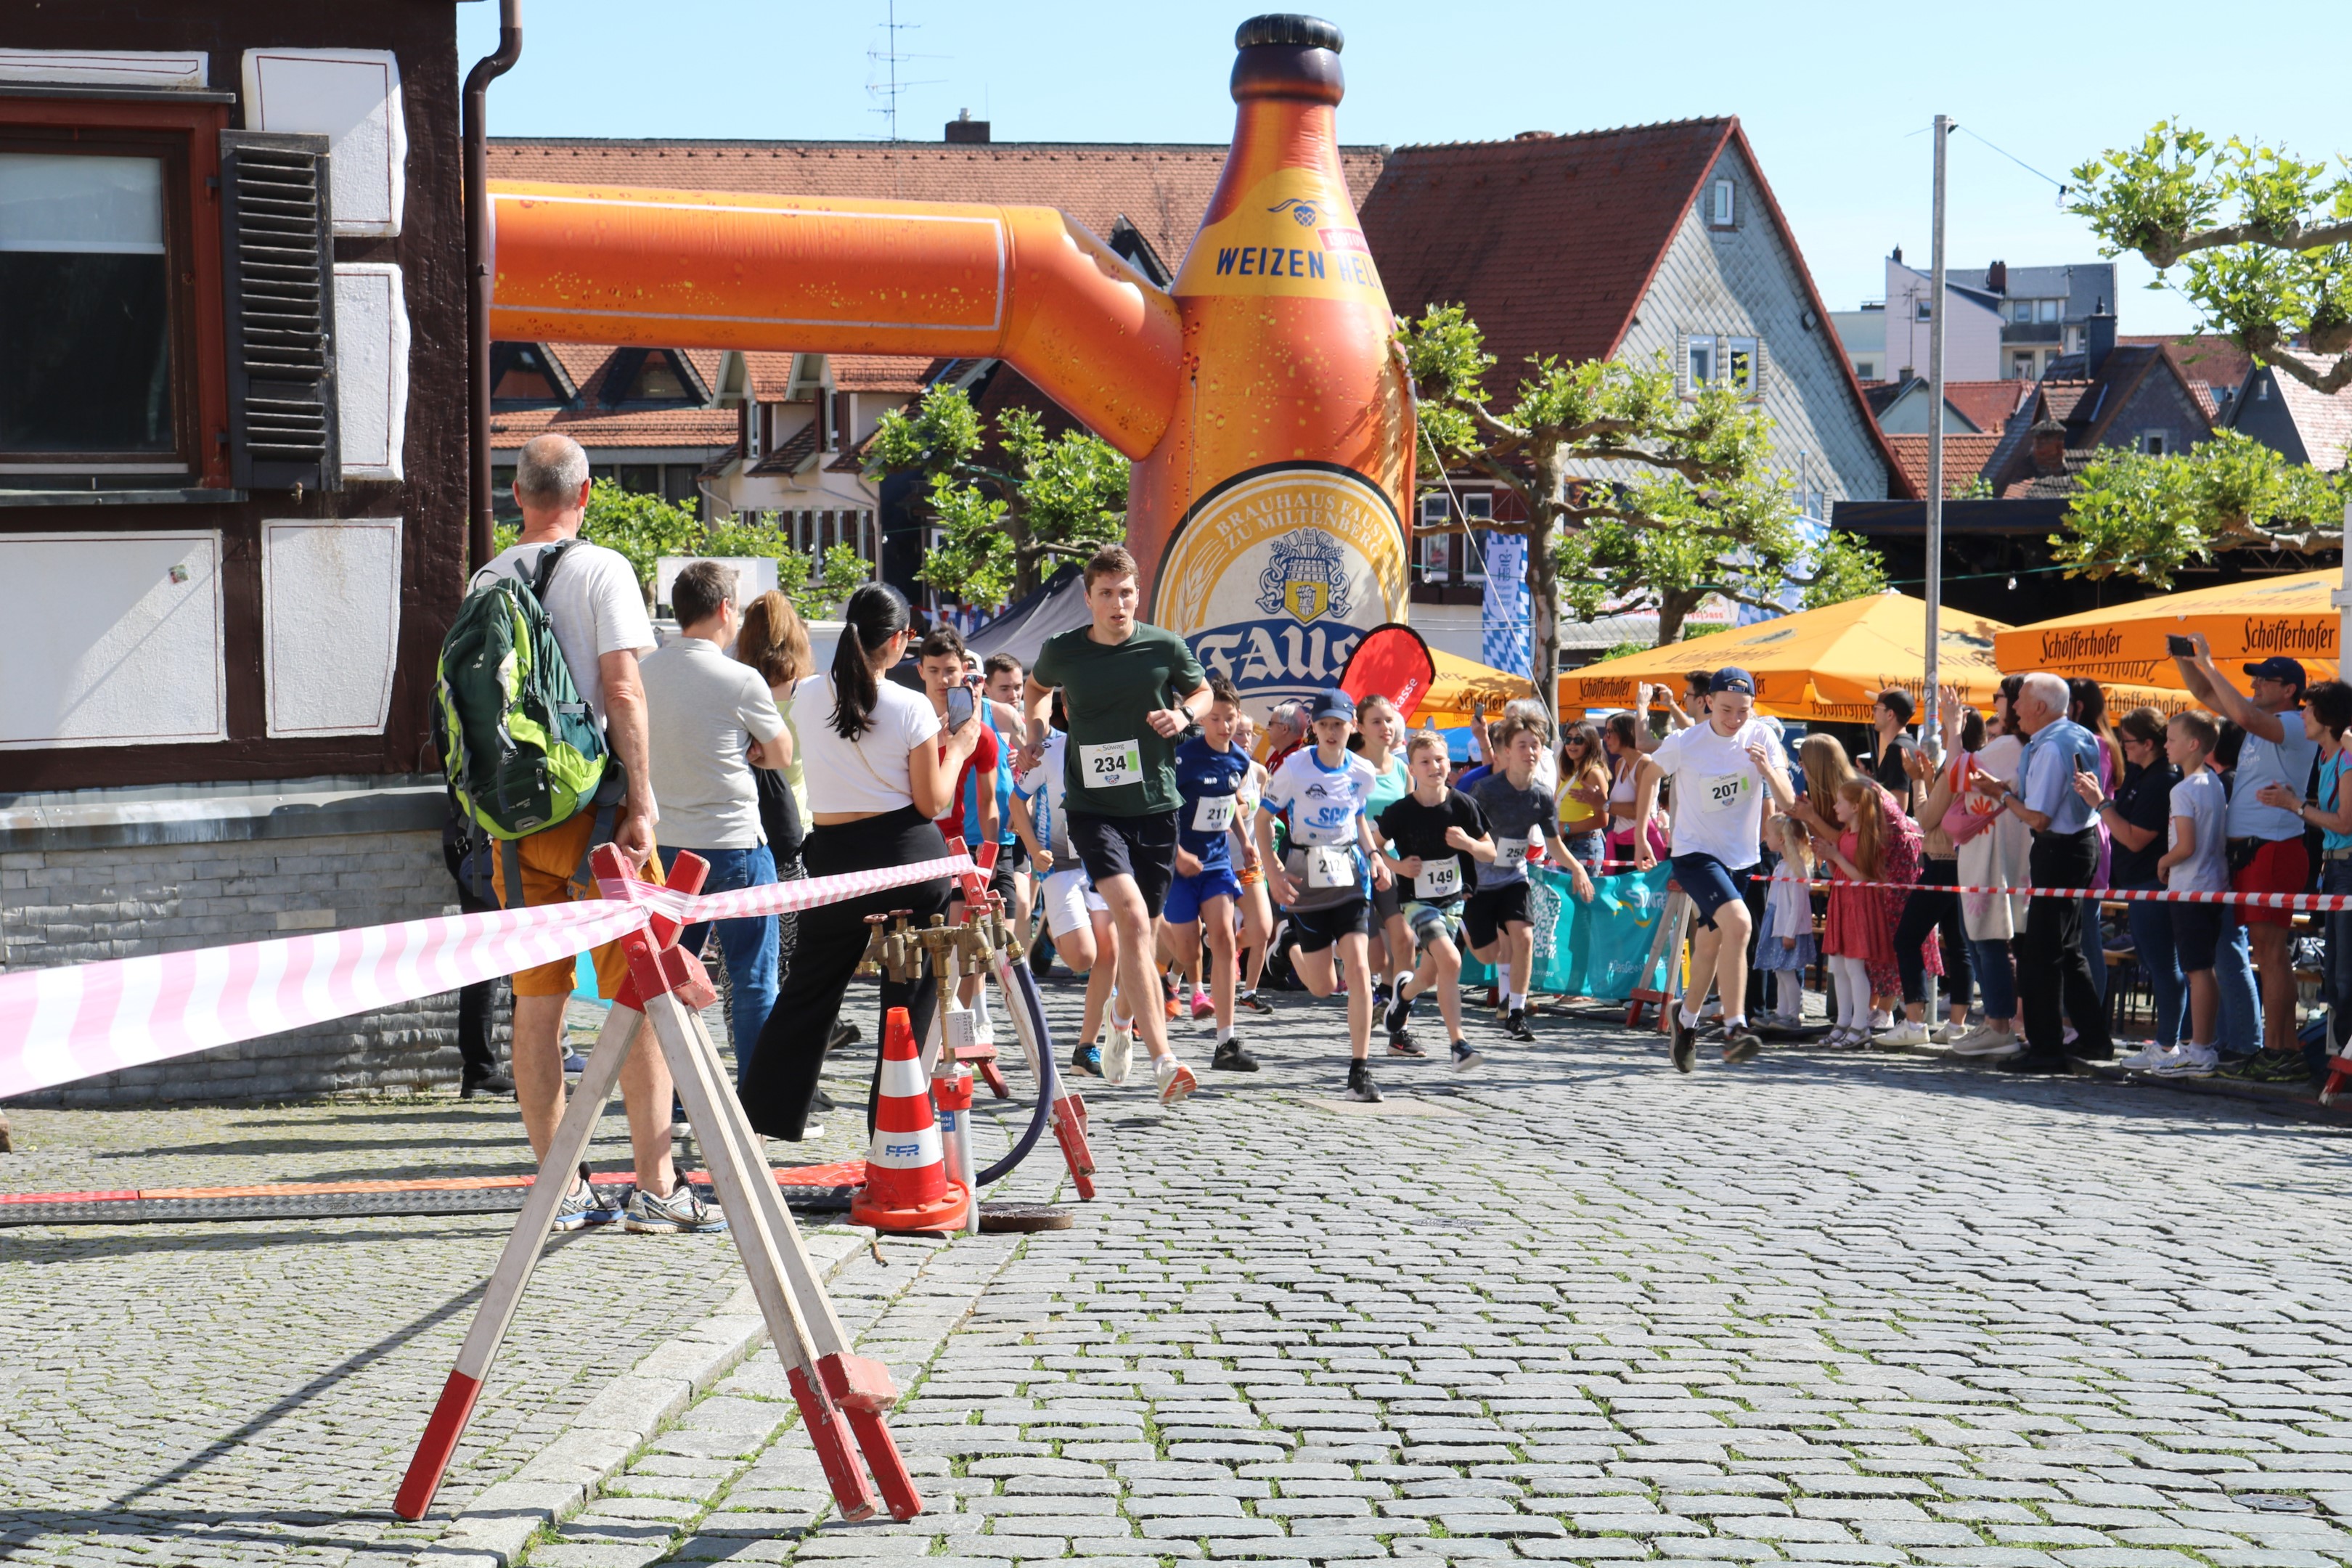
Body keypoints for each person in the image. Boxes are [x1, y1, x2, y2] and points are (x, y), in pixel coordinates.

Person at [475, 433, 713, 1233]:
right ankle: (655, 1185)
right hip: (601, 822)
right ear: (586, 495)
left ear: (517, 496)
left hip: (515, 830)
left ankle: (562, 1189)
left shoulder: (486, 578)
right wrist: (641, 801)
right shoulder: (603, 569)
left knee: (537, 1005)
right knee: (640, 994)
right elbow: (623, 690)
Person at [741, 583, 981, 1140]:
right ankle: (895, 1133)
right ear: (898, 641)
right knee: (908, 1000)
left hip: (836, 858)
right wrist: (960, 748)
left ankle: (763, 1117)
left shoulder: (807, 694)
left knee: (808, 990)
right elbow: (932, 802)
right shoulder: (910, 706)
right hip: (906, 859)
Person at [1021, 544, 1211, 1105]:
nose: (1118, 603)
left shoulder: (1164, 646)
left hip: (1156, 808)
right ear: (1089, 599)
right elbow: (1036, 690)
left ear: (1137, 595)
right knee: (1129, 917)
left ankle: (1121, 1019)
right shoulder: (1063, 650)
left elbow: (1202, 692)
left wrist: (1183, 714)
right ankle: (1165, 1061)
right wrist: (1036, 734)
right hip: (1093, 809)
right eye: (1106, 594)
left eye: (1126, 593)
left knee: (1142, 932)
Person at [637, 560, 792, 1093]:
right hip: (733, 845)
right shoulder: (740, 678)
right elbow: (781, 753)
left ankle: (679, 1104)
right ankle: (755, 1103)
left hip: (665, 847)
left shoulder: (644, 673)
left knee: (670, 981)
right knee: (752, 980)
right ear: (726, 609)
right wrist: (751, 749)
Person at [2175, 640, 2320, 1082]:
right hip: (2256, 849)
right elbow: (2205, 694)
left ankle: (2280, 1051)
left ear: (2289, 689)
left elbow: (2242, 714)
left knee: (2271, 953)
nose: (2254, 685)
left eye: (2263, 680)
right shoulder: (2263, 720)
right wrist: (2185, 660)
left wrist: (2208, 662)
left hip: (2272, 846)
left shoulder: (2291, 723)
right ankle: (2278, 1049)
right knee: (2266, 953)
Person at [1630, 667, 1783, 1069]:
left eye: (1743, 711)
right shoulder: (1686, 741)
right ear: (1708, 702)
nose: (1735, 719)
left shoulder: (1762, 736)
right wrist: (1643, 834)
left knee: (1712, 943)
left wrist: (1769, 773)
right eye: (1726, 709)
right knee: (1740, 925)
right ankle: (1735, 1029)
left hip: (1740, 858)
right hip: (1694, 854)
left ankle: (1685, 1019)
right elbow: (1649, 774)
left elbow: (1784, 796)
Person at [1969, 670, 2111, 1070]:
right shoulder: (2074, 735)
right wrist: (2007, 791)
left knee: (2040, 955)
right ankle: (2094, 1040)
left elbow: (2039, 817)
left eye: (2021, 700)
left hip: (2060, 848)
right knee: (2066, 951)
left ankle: (2047, 1049)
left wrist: (2001, 795)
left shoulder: (2051, 747)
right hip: (2076, 846)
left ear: (2041, 707)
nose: (2014, 706)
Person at [1259, 689, 1393, 1098]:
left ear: (1352, 726)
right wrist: (1273, 871)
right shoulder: (1295, 768)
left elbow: (1358, 816)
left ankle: (1360, 1070)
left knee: (1359, 967)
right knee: (1322, 986)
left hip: (1350, 876)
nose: (1332, 732)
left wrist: (1375, 856)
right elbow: (1262, 820)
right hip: (1306, 875)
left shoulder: (1362, 771)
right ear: (1314, 728)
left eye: (1339, 724)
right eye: (1324, 724)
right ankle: (1287, 944)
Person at [732, 589, 828, 1091]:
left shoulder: (737, 687)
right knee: (792, 965)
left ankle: (751, 1066)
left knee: (744, 966)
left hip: (745, 831)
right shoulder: (810, 693)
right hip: (797, 837)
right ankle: (791, 1079)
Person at [1465, 712, 1596, 1042]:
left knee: (1524, 937)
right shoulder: (1486, 790)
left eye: (1535, 745)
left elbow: (1554, 844)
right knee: (1488, 954)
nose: (1530, 752)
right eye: (1522, 745)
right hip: (1480, 881)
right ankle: (1463, 927)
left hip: (1514, 877)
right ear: (1507, 752)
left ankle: (1516, 1014)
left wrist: (1577, 868)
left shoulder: (1541, 796)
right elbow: (1464, 837)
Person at [1379, 728, 1497, 1071]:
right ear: (1412, 769)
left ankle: (1403, 996)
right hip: (1416, 902)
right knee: (1452, 961)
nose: (1434, 767)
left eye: (1440, 760)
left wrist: (1468, 844)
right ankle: (1459, 1045)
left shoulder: (1463, 805)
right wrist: (1398, 866)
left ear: (1450, 763)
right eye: (1425, 762)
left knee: (1430, 974)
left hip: (1453, 903)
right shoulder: (1401, 811)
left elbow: (1490, 852)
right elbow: (1373, 846)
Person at [1012, 709, 1119, 1078]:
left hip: (1103, 861)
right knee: (1081, 958)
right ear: (1070, 710)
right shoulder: (1049, 752)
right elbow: (1017, 801)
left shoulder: (1119, 750)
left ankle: (1086, 1047)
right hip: (1059, 862)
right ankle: (1052, 931)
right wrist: (1032, 847)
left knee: (1110, 948)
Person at [1163, 675, 1258, 1073]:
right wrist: (1178, 853)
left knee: (1222, 937)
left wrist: (1244, 840)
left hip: (1217, 862)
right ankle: (1169, 986)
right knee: (1187, 951)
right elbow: (1161, 809)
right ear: (1202, 720)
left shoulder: (1240, 759)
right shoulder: (1184, 757)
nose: (1223, 726)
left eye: (1230, 718)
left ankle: (1226, 1042)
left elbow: (1229, 800)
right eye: (1215, 718)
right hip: (1180, 865)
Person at [2257, 678, 2352, 1074]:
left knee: (2344, 977)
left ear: (2328, 717)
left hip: (2347, 869)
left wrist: (2294, 806)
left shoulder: (2346, 757)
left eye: (2309, 709)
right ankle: (2342, 1065)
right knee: (2334, 976)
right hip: (2335, 869)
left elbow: (2344, 823)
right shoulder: (2328, 757)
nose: (2302, 715)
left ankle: (2345, 1066)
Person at [2080, 706, 2182, 1063]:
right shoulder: (2141, 773)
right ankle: (2168, 1042)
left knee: (2163, 965)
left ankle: (2168, 1043)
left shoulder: (2162, 780)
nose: (2123, 748)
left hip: (2153, 881)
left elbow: (2135, 838)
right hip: (2138, 881)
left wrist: (2100, 803)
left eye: (2129, 742)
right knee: (2154, 963)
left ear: (2149, 743)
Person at [1881, 687, 1975, 1048]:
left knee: (1907, 938)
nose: (1942, 736)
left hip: (1942, 864)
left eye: (1948, 729)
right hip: (1956, 862)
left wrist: (1919, 780)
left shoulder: (1958, 765)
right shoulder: (1964, 765)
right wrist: (1927, 777)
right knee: (1959, 944)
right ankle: (1956, 1025)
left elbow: (1925, 815)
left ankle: (1915, 1021)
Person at [1943, 676, 2028, 1058]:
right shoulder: (2011, 744)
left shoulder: (2011, 745)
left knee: (1989, 936)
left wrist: (1952, 728)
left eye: (2000, 697)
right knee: (1978, 934)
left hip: (1993, 852)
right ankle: (1995, 1020)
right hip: (1990, 847)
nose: (1995, 703)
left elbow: (1955, 775)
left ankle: (1999, 1024)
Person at [2156, 710, 2229, 1077]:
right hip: (2212, 885)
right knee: (2203, 968)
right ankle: (2201, 1044)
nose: (2165, 745)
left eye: (2171, 739)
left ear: (2193, 744)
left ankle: (2200, 1048)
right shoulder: (2213, 781)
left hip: (2190, 888)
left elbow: (2186, 846)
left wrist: (2163, 861)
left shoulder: (2183, 789)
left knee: (2197, 970)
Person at [1813, 777, 1895, 1048]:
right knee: (1837, 966)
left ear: (1856, 806)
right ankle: (1844, 1021)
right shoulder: (1846, 835)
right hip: (1842, 902)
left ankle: (1860, 1026)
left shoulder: (1869, 837)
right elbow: (1840, 871)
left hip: (1859, 906)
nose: (1835, 807)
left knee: (1854, 966)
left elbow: (1863, 876)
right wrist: (1828, 856)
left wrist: (1836, 856)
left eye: (1840, 802)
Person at [1355, 693, 1416, 1016]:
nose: (1385, 727)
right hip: (1353, 865)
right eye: (1376, 721)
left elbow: (1409, 823)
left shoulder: (1402, 770)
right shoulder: (1350, 766)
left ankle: (1396, 1006)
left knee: (1405, 939)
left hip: (1390, 864)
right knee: (1377, 957)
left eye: (1389, 720)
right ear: (1360, 727)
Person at [981, 652, 1033, 947]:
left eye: (1018, 687)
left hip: (1017, 829)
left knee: (1023, 902)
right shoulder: (978, 722)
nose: (1014, 695)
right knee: (986, 910)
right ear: (986, 688)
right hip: (981, 829)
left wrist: (1024, 765)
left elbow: (1041, 774)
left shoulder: (1025, 726)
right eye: (1005, 688)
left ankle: (1020, 969)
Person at [1229, 714, 1278, 1016]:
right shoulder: (1217, 768)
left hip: (1250, 861)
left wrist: (1272, 854)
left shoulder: (1259, 773)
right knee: (1190, 938)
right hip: (1218, 861)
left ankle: (1249, 993)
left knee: (1262, 929)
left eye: (1249, 734)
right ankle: (1176, 979)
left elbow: (1265, 819)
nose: (1246, 740)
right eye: (1240, 733)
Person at [1755, 817, 1816, 1029]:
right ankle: (1781, 1012)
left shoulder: (1794, 869)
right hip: (1778, 924)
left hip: (1788, 929)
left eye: (1769, 834)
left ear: (1781, 839)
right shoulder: (1782, 865)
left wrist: (1790, 933)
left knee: (1787, 973)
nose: (1765, 838)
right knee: (1779, 972)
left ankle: (1793, 1015)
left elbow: (1798, 906)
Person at [1556, 720, 1611, 872]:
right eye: (1568, 739)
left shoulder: (1594, 773)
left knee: (1582, 889)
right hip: (1564, 844)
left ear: (1590, 743)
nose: (1572, 744)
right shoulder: (1567, 771)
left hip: (1585, 845)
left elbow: (1603, 819)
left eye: (1578, 740)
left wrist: (1566, 828)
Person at [1871, 689, 1922, 812]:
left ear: (1890, 714)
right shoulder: (1911, 744)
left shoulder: (1897, 749)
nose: (1873, 712)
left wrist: (1867, 784)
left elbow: (1899, 806)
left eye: (1876, 708)